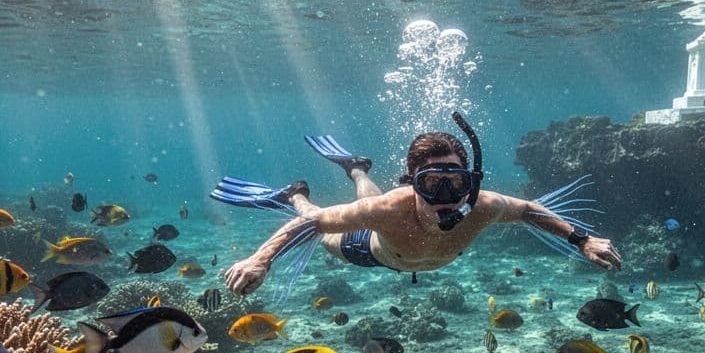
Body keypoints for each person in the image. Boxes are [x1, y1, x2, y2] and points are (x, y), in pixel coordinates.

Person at [216, 113, 621, 297]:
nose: (446, 197)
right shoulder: (393, 208)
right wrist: (261, 260)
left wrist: (582, 239)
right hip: (368, 251)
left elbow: (530, 209)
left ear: (471, 182)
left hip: (391, 232)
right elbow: (317, 225)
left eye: (456, 182)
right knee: (319, 224)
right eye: (432, 183)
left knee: (368, 199)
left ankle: (358, 169)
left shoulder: (483, 205)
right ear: (413, 184)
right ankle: (293, 193)